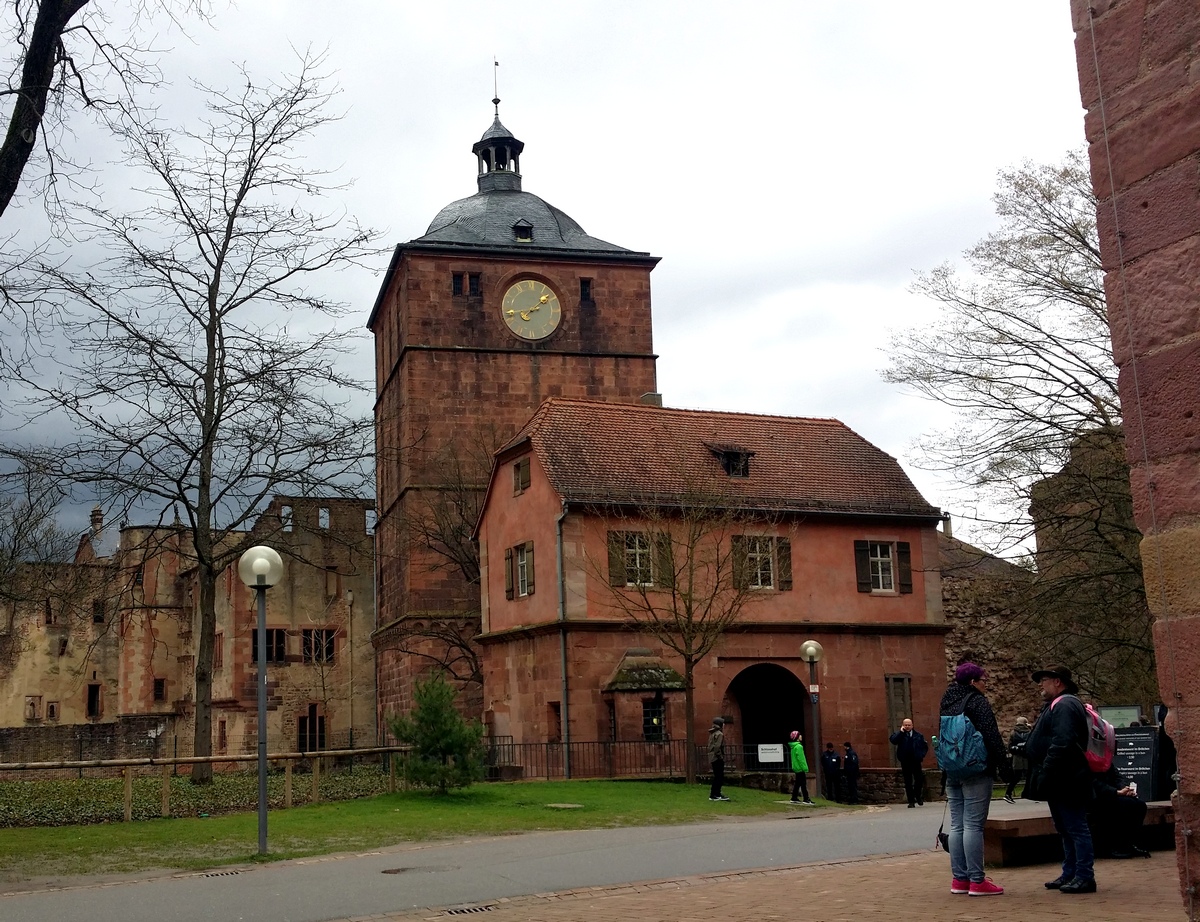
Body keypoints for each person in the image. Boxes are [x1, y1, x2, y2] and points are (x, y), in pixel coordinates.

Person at [1024, 664, 1096, 894]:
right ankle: (1071, 873)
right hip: (1061, 776)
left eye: (1044, 680)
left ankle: (1084, 876)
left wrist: (1047, 768)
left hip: (1067, 776)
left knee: (1075, 827)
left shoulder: (1065, 704)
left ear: (1057, 682)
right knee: (1065, 828)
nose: (1040, 685)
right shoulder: (1057, 704)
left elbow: (1062, 741)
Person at [940, 661, 1009, 896]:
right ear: (973, 682)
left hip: (952, 768)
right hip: (976, 768)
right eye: (983, 680)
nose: (985, 684)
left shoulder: (947, 700)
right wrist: (1004, 767)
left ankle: (960, 879)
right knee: (973, 825)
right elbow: (991, 735)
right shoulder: (977, 701)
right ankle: (977, 881)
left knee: (957, 825)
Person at [1089, 763, 1149, 859]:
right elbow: (1092, 782)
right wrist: (1116, 792)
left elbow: (1117, 777)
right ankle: (1116, 847)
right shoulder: (1086, 760)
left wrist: (1124, 789)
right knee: (1123, 805)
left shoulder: (1105, 760)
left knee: (1139, 805)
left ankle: (1130, 844)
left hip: (1111, 794)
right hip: (1094, 796)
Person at [889, 717, 929, 807]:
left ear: (912, 725)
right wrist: (901, 732)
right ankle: (911, 801)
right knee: (908, 781)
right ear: (903, 725)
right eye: (905, 725)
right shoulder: (900, 735)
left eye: (909, 725)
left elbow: (924, 747)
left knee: (919, 780)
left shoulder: (918, 735)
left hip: (916, 760)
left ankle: (918, 796)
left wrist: (921, 755)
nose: (907, 726)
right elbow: (893, 741)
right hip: (905, 761)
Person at [1004, 716, 1031, 803]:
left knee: (1016, 776)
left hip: (1017, 757)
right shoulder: (1029, 732)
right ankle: (1030, 792)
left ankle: (1008, 793)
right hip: (1026, 756)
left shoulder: (1014, 733)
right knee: (1029, 775)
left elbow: (1010, 746)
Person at [788, 731, 813, 804]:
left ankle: (794, 797)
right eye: (799, 735)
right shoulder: (799, 746)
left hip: (796, 767)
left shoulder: (793, 747)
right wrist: (805, 768)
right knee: (803, 784)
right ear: (797, 737)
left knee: (798, 783)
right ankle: (806, 798)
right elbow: (801, 759)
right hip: (800, 768)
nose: (801, 736)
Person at [707, 716, 730, 801]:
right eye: (723, 723)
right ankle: (716, 794)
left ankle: (714, 794)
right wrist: (720, 757)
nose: (724, 725)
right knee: (719, 777)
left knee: (717, 776)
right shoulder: (719, 734)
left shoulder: (713, 733)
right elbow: (717, 747)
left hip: (712, 757)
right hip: (717, 758)